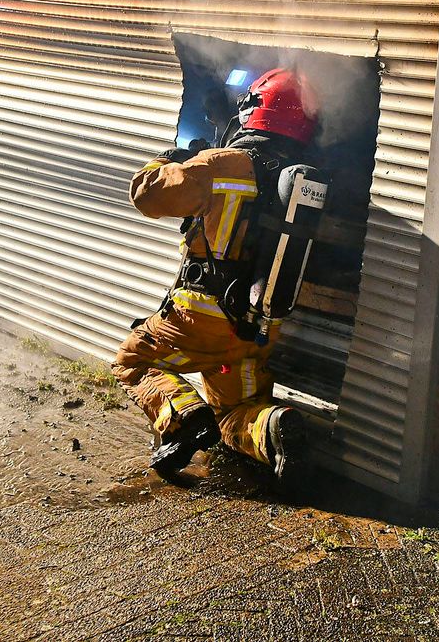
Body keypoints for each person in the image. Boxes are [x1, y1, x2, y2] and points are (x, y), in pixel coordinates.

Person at [111, 68, 319, 486]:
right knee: (234, 411)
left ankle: (186, 419)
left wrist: (168, 160)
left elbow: (147, 196)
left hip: (200, 318)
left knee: (132, 360)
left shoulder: (222, 164)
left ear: (253, 110)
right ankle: (274, 427)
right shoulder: (299, 178)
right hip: (257, 328)